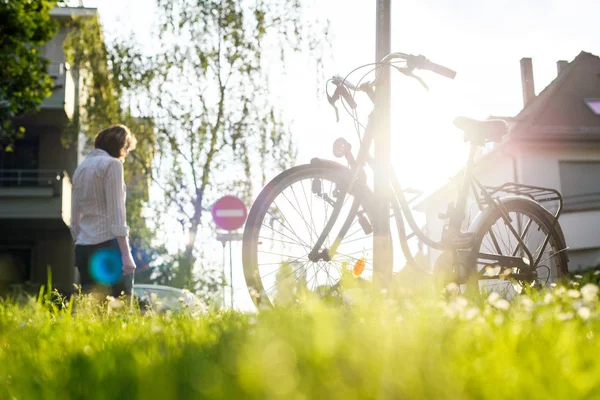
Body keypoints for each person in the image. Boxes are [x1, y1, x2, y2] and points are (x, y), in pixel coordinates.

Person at [70, 124, 137, 298]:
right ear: (121, 146)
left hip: (83, 248)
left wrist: (80, 241)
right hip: (108, 246)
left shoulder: (80, 169)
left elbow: (74, 218)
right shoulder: (112, 165)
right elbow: (117, 213)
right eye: (126, 149)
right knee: (120, 306)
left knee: (91, 312)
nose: (125, 154)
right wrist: (126, 254)